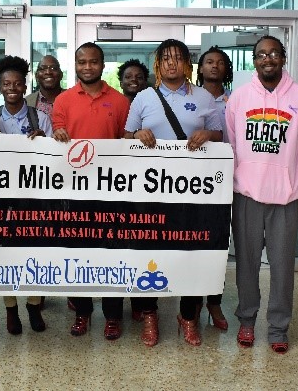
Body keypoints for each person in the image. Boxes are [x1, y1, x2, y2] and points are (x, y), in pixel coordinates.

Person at [225, 35, 298, 354]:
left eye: (273, 53)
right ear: (253, 61)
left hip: (286, 199)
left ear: (283, 58)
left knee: (282, 267)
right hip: (247, 195)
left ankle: (278, 328)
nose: (267, 58)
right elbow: (233, 145)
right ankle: (248, 322)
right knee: (247, 265)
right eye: (260, 54)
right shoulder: (239, 98)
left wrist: (288, 174)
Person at [124, 39, 222, 347]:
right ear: (157, 64)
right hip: (151, 192)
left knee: (190, 252)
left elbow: (220, 136)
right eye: (165, 59)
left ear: (186, 64)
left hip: (194, 193)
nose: (171, 64)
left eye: (177, 58)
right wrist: (137, 134)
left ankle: (187, 317)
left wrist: (208, 133)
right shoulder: (143, 97)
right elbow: (125, 136)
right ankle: (150, 315)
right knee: (151, 252)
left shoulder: (205, 96)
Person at [52, 42, 130, 340]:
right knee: (79, 253)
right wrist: (58, 134)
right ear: (76, 65)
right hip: (74, 191)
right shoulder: (63, 100)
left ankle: (112, 316)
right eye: (82, 62)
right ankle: (82, 313)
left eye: (93, 61)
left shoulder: (121, 102)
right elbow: (56, 133)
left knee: (111, 255)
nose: (88, 67)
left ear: (102, 64)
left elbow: (127, 139)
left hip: (111, 192)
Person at [0, 55, 52, 334]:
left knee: (34, 252)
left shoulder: (40, 118)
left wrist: (44, 144)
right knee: (7, 254)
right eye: (7, 83)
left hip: (34, 197)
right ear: (1, 86)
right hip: (2, 201)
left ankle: (33, 304)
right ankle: (11, 309)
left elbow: (55, 159)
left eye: (18, 83)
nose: (13, 88)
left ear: (24, 84)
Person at [191, 45, 234, 331]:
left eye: (220, 62)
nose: (214, 66)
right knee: (195, 242)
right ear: (201, 68)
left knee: (218, 243)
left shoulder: (238, 99)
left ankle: (214, 300)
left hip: (229, 180)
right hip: (194, 181)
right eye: (209, 62)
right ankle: (192, 301)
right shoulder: (190, 98)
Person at [117, 58, 151, 323]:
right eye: (129, 76)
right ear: (121, 80)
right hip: (116, 185)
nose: (134, 81)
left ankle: (141, 301)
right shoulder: (115, 105)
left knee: (141, 246)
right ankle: (115, 306)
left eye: (139, 77)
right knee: (118, 247)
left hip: (145, 187)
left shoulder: (152, 103)